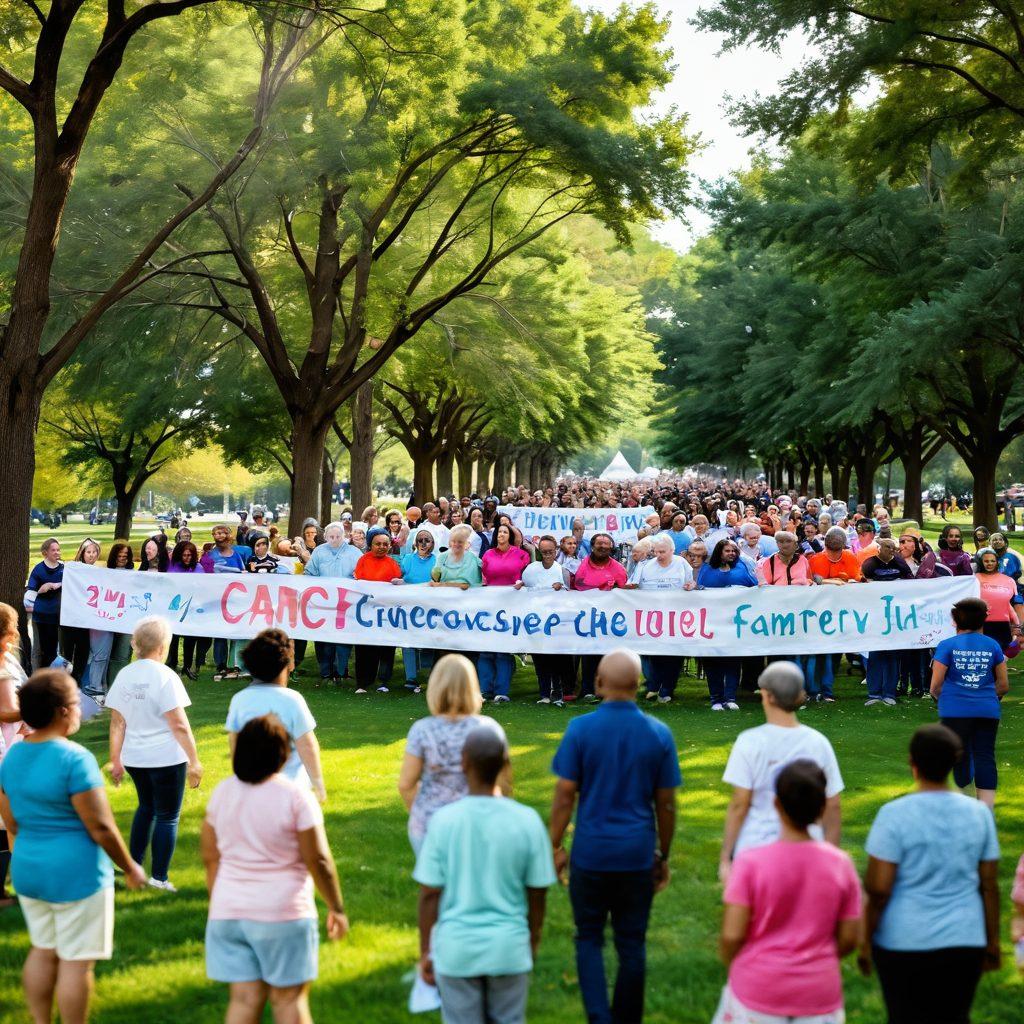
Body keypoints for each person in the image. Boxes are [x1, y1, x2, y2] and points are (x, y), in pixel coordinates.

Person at [0, 670, 146, 1024]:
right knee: (76, 961)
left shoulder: (12, 758)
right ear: (63, 711)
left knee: (43, 949)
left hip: (30, 869)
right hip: (76, 874)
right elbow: (100, 826)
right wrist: (130, 866)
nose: (80, 709)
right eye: (76, 703)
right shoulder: (75, 759)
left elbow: (13, 822)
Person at [550, 650, 680, 1024]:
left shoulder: (580, 729)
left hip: (590, 853)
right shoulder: (658, 733)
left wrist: (554, 845)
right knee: (631, 943)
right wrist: (663, 853)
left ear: (598, 683)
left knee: (588, 937)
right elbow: (667, 805)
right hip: (637, 854)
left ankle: (598, 1017)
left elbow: (563, 796)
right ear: (640, 685)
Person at [202, 716, 348, 1024]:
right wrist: (336, 906)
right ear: (284, 753)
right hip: (283, 914)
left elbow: (210, 857)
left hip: (229, 914)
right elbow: (318, 859)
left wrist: (221, 899)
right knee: (289, 1001)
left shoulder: (222, 793)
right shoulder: (296, 797)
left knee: (243, 1000)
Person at [860, 724, 1000, 1024]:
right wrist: (992, 941)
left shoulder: (894, 814)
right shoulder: (978, 814)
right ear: (955, 760)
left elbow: (878, 889)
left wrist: (864, 939)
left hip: (902, 939)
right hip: (964, 938)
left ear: (913, 763)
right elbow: (989, 885)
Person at [416, 725, 555, 1024]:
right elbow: (538, 893)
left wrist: (426, 950)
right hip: (508, 948)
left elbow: (429, 893)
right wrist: (532, 940)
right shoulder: (527, 821)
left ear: (464, 762)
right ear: (506, 764)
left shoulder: (444, 821)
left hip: (457, 950)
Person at [715, 761, 861, 1024]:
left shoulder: (750, 863)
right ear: (821, 808)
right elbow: (850, 937)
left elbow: (732, 934)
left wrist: (740, 965)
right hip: (818, 992)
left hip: (757, 990)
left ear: (777, 805)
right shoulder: (840, 864)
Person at [719, 662, 843, 885]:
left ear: (767, 696)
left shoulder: (749, 742)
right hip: (807, 850)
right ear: (799, 696)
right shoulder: (818, 743)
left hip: (756, 848)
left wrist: (726, 856)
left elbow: (740, 803)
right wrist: (830, 856)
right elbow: (833, 804)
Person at [106, 617, 203, 892]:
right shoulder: (166, 676)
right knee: (167, 815)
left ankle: (133, 869)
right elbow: (180, 724)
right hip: (166, 759)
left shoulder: (125, 674)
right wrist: (194, 761)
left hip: (135, 758)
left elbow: (117, 722)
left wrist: (116, 759)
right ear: (163, 647)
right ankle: (159, 878)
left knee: (146, 808)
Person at [398, 655, 507, 855]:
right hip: (477, 824)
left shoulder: (422, 730)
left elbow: (406, 785)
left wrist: (421, 811)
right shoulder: (490, 729)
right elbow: (503, 785)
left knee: (435, 885)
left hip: (430, 825)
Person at [227, 629, 326, 805]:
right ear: (288, 664)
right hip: (291, 789)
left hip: (253, 786)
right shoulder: (292, 700)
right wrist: (318, 783)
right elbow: (307, 745)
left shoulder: (239, 700)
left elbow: (234, 742)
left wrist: (239, 778)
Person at [930, 597, 1009, 810]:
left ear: (955, 620)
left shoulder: (947, 645)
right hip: (987, 710)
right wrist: (982, 695)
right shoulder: (992, 645)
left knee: (959, 754)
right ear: (984, 619)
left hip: (954, 710)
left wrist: (945, 699)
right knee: (985, 755)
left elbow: (935, 686)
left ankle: (964, 803)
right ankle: (986, 810)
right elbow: (1003, 685)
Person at [628, 535, 694, 704]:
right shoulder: (647, 566)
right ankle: (654, 686)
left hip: (677, 618)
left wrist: (690, 586)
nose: (659, 555)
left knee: (673, 656)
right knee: (656, 654)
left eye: (663, 551)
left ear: (672, 550)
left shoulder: (681, 564)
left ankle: (667, 689)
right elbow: (637, 587)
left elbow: (691, 583)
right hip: (654, 618)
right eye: (656, 551)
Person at [697, 540, 757, 710]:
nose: (731, 553)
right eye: (727, 550)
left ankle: (730, 697)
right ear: (719, 552)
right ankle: (716, 699)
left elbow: (754, 586)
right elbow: (699, 591)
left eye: (734, 550)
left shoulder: (741, 567)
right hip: (712, 623)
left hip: (735, 624)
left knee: (733, 660)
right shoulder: (707, 569)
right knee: (713, 662)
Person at [516, 535, 573, 706]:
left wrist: (561, 588)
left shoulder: (561, 571)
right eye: (544, 552)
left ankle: (557, 693)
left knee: (556, 661)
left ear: (556, 551)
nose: (547, 554)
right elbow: (523, 587)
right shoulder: (531, 569)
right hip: (536, 622)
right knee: (540, 661)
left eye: (550, 551)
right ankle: (544, 694)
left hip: (555, 624)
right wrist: (520, 586)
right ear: (539, 552)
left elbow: (569, 597)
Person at [571, 533, 628, 703]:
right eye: (599, 544)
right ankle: (587, 689)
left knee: (608, 656)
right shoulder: (583, 565)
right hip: (587, 619)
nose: (602, 547)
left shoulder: (618, 568)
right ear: (592, 546)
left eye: (606, 544)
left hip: (610, 620)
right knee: (589, 656)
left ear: (611, 547)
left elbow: (624, 593)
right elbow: (578, 585)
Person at [479, 523, 531, 703]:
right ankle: (484, 690)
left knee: (503, 651)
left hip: (511, 606)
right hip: (489, 606)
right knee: (486, 650)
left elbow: (528, 577)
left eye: (504, 532)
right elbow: (482, 578)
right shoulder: (488, 554)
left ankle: (501, 691)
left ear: (510, 535)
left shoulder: (521, 554)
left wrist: (522, 583)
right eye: (499, 532)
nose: (501, 534)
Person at [303, 521, 359, 685]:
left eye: (338, 536)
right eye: (331, 536)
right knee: (324, 640)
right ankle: (326, 673)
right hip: (324, 603)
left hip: (346, 603)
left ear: (345, 536)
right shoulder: (319, 551)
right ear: (326, 537)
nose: (334, 539)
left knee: (343, 639)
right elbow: (309, 573)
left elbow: (362, 573)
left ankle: (342, 671)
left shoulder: (354, 552)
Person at [353, 529, 403, 694]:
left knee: (386, 647)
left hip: (386, 614)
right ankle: (362, 682)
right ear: (370, 545)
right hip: (365, 613)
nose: (381, 547)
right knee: (364, 648)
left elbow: (397, 585)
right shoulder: (363, 560)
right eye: (378, 544)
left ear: (389, 546)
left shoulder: (392, 563)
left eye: (385, 544)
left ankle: (384, 681)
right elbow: (357, 583)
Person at [0, 602, 26, 908]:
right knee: (9, 822)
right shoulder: (4, 669)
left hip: (13, 746)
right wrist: (40, 709)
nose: (18, 630)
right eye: (14, 625)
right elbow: (5, 712)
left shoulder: (8, 660)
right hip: (6, 751)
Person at [392, 528, 438, 693]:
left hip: (430, 607)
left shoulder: (437, 560)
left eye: (427, 540)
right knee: (408, 641)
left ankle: (429, 675)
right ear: (415, 543)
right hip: (409, 607)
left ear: (433, 543)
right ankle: (411, 677)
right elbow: (401, 575)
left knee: (429, 641)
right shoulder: (408, 559)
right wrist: (398, 580)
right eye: (420, 540)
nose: (424, 543)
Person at [87, 542, 135, 693]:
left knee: (121, 657)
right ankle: (98, 687)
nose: (122, 559)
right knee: (102, 655)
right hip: (105, 620)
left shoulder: (135, 575)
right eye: (119, 556)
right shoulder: (105, 573)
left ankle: (117, 689)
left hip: (126, 621)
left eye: (125, 556)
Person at [209, 524, 252, 681]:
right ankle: (220, 665)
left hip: (234, 601)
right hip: (217, 600)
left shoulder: (236, 556)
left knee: (236, 633)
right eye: (216, 533)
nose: (220, 536)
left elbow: (243, 574)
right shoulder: (211, 555)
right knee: (220, 634)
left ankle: (236, 664)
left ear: (229, 536)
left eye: (222, 533)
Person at [167, 540, 208, 679]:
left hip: (192, 609)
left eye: (190, 555)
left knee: (190, 638)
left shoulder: (199, 568)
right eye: (184, 555)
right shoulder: (173, 567)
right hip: (176, 607)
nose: (187, 558)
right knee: (173, 637)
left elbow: (203, 588)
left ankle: (187, 666)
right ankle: (172, 664)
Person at [61, 540, 99, 685]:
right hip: (69, 619)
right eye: (88, 552)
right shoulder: (72, 568)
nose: (91, 555)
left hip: (86, 621)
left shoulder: (100, 572)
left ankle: (76, 682)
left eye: (94, 552)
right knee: (67, 653)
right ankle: (63, 683)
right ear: (82, 553)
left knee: (82, 653)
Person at [973, 547, 1024, 650]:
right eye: (986, 561)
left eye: (993, 561)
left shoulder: (1009, 581)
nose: (989, 563)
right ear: (980, 562)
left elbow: (1017, 604)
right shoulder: (973, 578)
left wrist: (1018, 626)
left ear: (997, 562)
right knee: (982, 656)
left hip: (1003, 626)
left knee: (1001, 657)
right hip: (979, 624)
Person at [26, 537, 63, 670]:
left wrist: (57, 584)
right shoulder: (38, 569)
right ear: (45, 552)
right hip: (41, 616)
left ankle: (51, 679)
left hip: (58, 616)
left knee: (53, 651)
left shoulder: (64, 569)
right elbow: (30, 594)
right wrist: (41, 590)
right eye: (53, 550)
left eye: (58, 550)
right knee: (41, 649)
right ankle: (38, 677)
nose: (57, 552)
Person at [430, 524, 483, 589]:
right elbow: (434, 581)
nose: (456, 544)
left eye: (460, 542)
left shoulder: (472, 558)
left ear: (467, 543)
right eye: (453, 541)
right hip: (444, 595)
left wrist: (443, 585)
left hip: (467, 596)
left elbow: (466, 585)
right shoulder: (442, 557)